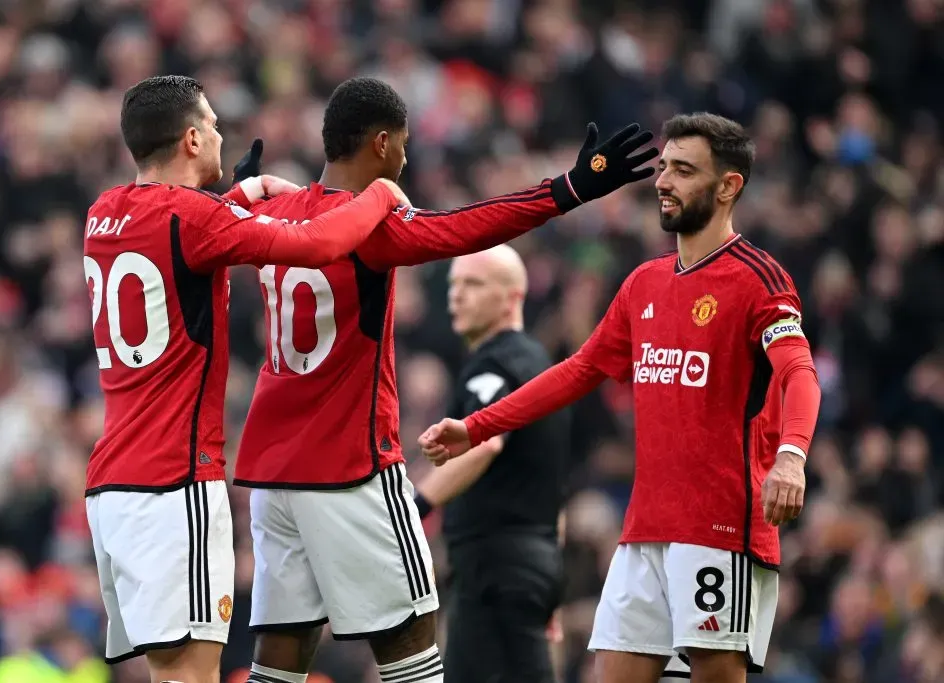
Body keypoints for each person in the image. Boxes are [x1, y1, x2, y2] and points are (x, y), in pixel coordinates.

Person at [230, 76, 658, 683]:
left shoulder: (275, 213)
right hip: (349, 466)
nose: (405, 162)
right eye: (403, 146)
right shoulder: (369, 227)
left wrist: (241, 186)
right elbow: (468, 227)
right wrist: (568, 189)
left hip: (271, 475)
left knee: (280, 651)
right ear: (381, 143)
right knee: (413, 641)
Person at [419, 113, 822, 683]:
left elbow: (799, 372)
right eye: (664, 168)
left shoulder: (759, 280)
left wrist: (792, 455)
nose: (663, 181)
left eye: (684, 171)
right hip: (644, 532)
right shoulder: (644, 283)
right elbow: (579, 370)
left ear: (728, 186)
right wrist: (477, 425)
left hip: (719, 531)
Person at [83, 74, 407, 683]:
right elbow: (317, 243)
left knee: (168, 674)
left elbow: (179, 239)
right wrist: (381, 194)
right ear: (191, 140)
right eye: (212, 125)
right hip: (174, 483)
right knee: (192, 675)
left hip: (112, 489)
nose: (219, 135)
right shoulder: (195, 217)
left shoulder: (103, 213)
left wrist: (245, 193)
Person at [412, 245, 571, 683]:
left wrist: (412, 509)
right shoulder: (539, 367)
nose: (456, 296)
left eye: (474, 284)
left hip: (497, 568)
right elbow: (555, 490)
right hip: (528, 565)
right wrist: (548, 579)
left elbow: (484, 444)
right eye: (454, 285)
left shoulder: (499, 363)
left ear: (511, 297)